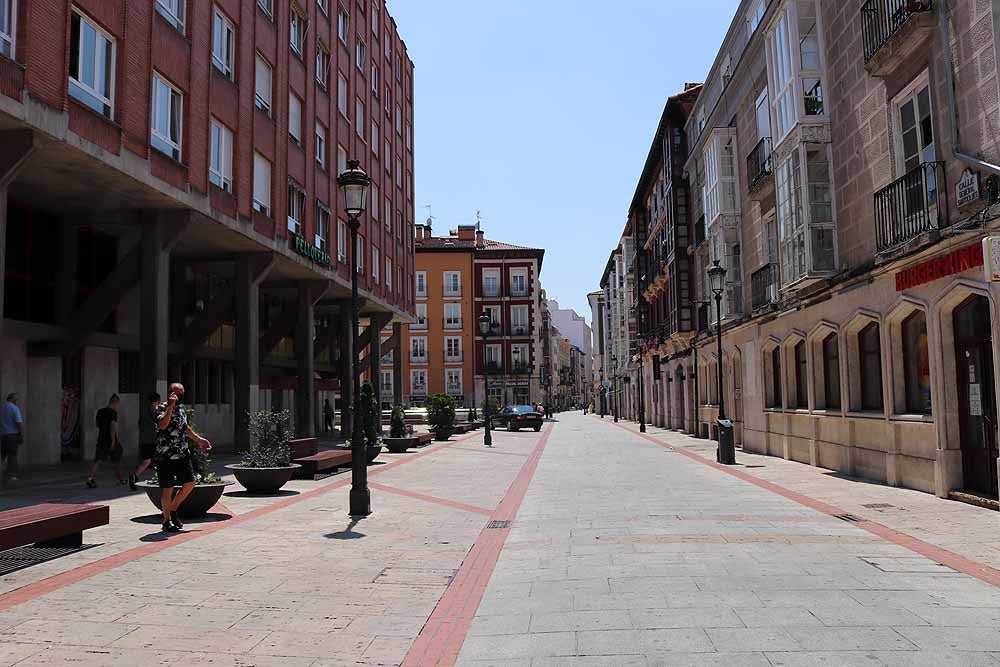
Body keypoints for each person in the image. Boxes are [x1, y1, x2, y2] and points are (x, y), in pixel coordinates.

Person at [155, 382, 211, 533]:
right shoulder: (161, 408)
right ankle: (166, 521)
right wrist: (170, 406)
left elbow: (185, 428)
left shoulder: (182, 409)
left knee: (190, 483)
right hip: (165, 455)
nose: (179, 397)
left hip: (182, 454)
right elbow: (163, 425)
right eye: (176, 393)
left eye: (181, 394)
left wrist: (200, 440)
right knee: (167, 489)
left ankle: (172, 509)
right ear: (169, 393)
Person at [87, 394, 124, 488]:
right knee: (118, 459)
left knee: (98, 459)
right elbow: (113, 426)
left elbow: (97, 424)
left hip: (101, 438)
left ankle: (90, 478)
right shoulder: (113, 413)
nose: (117, 406)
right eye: (117, 404)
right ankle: (121, 479)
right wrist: (113, 440)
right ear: (115, 402)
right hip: (110, 439)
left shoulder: (100, 411)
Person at [128, 393, 160, 490]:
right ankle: (135, 476)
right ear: (157, 401)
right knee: (152, 460)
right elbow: (157, 424)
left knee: (148, 460)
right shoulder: (154, 410)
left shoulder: (144, 411)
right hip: (152, 439)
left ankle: (135, 475)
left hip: (145, 439)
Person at [0, 393, 24, 482]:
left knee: (2, 454)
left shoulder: (2, 407)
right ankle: (12, 475)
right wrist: (21, 434)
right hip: (12, 434)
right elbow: (18, 422)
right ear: (13, 400)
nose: (17, 401)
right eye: (16, 400)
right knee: (12, 455)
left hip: (3, 434)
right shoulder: (14, 408)